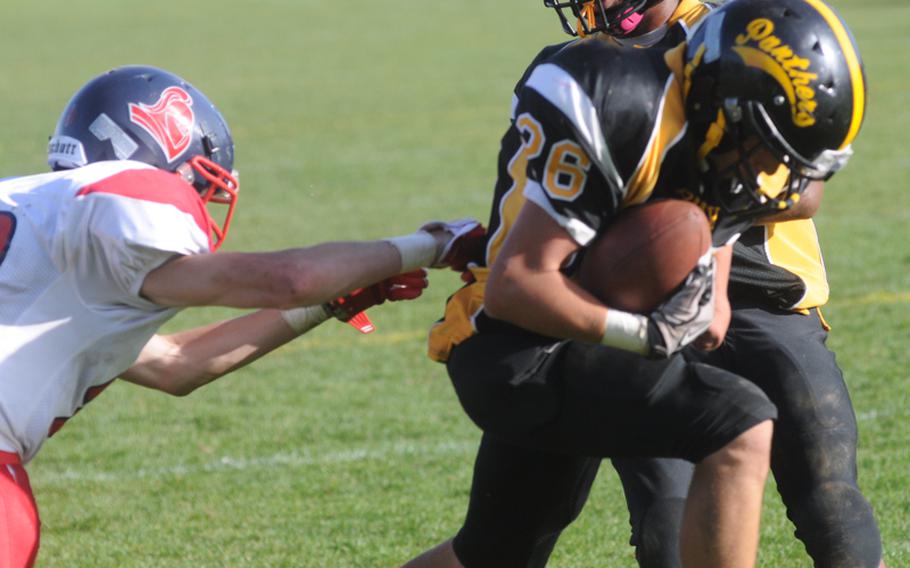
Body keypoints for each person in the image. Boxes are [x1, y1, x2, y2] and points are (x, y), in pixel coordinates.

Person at [405, 0, 867, 566]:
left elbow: (764, 210)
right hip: (562, 322)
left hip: (727, 301)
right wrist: (647, 330)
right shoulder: (600, 83)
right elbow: (523, 271)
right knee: (708, 460)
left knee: (831, 500)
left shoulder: (732, 52)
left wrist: (703, 280)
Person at [0, 65, 485, 568]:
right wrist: (432, 244)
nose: (204, 200)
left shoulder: (35, 221)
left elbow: (176, 363)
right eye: (200, 181)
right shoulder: (131, 191)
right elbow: (290, 278)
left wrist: (325, 303)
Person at [543, 1, 885, 566]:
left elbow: (803, 192)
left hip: (764, 299)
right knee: (666, 529)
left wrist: (669, 194)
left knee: (829, 499)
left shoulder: (743, 34)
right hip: (644, 307)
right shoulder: (574, 65)